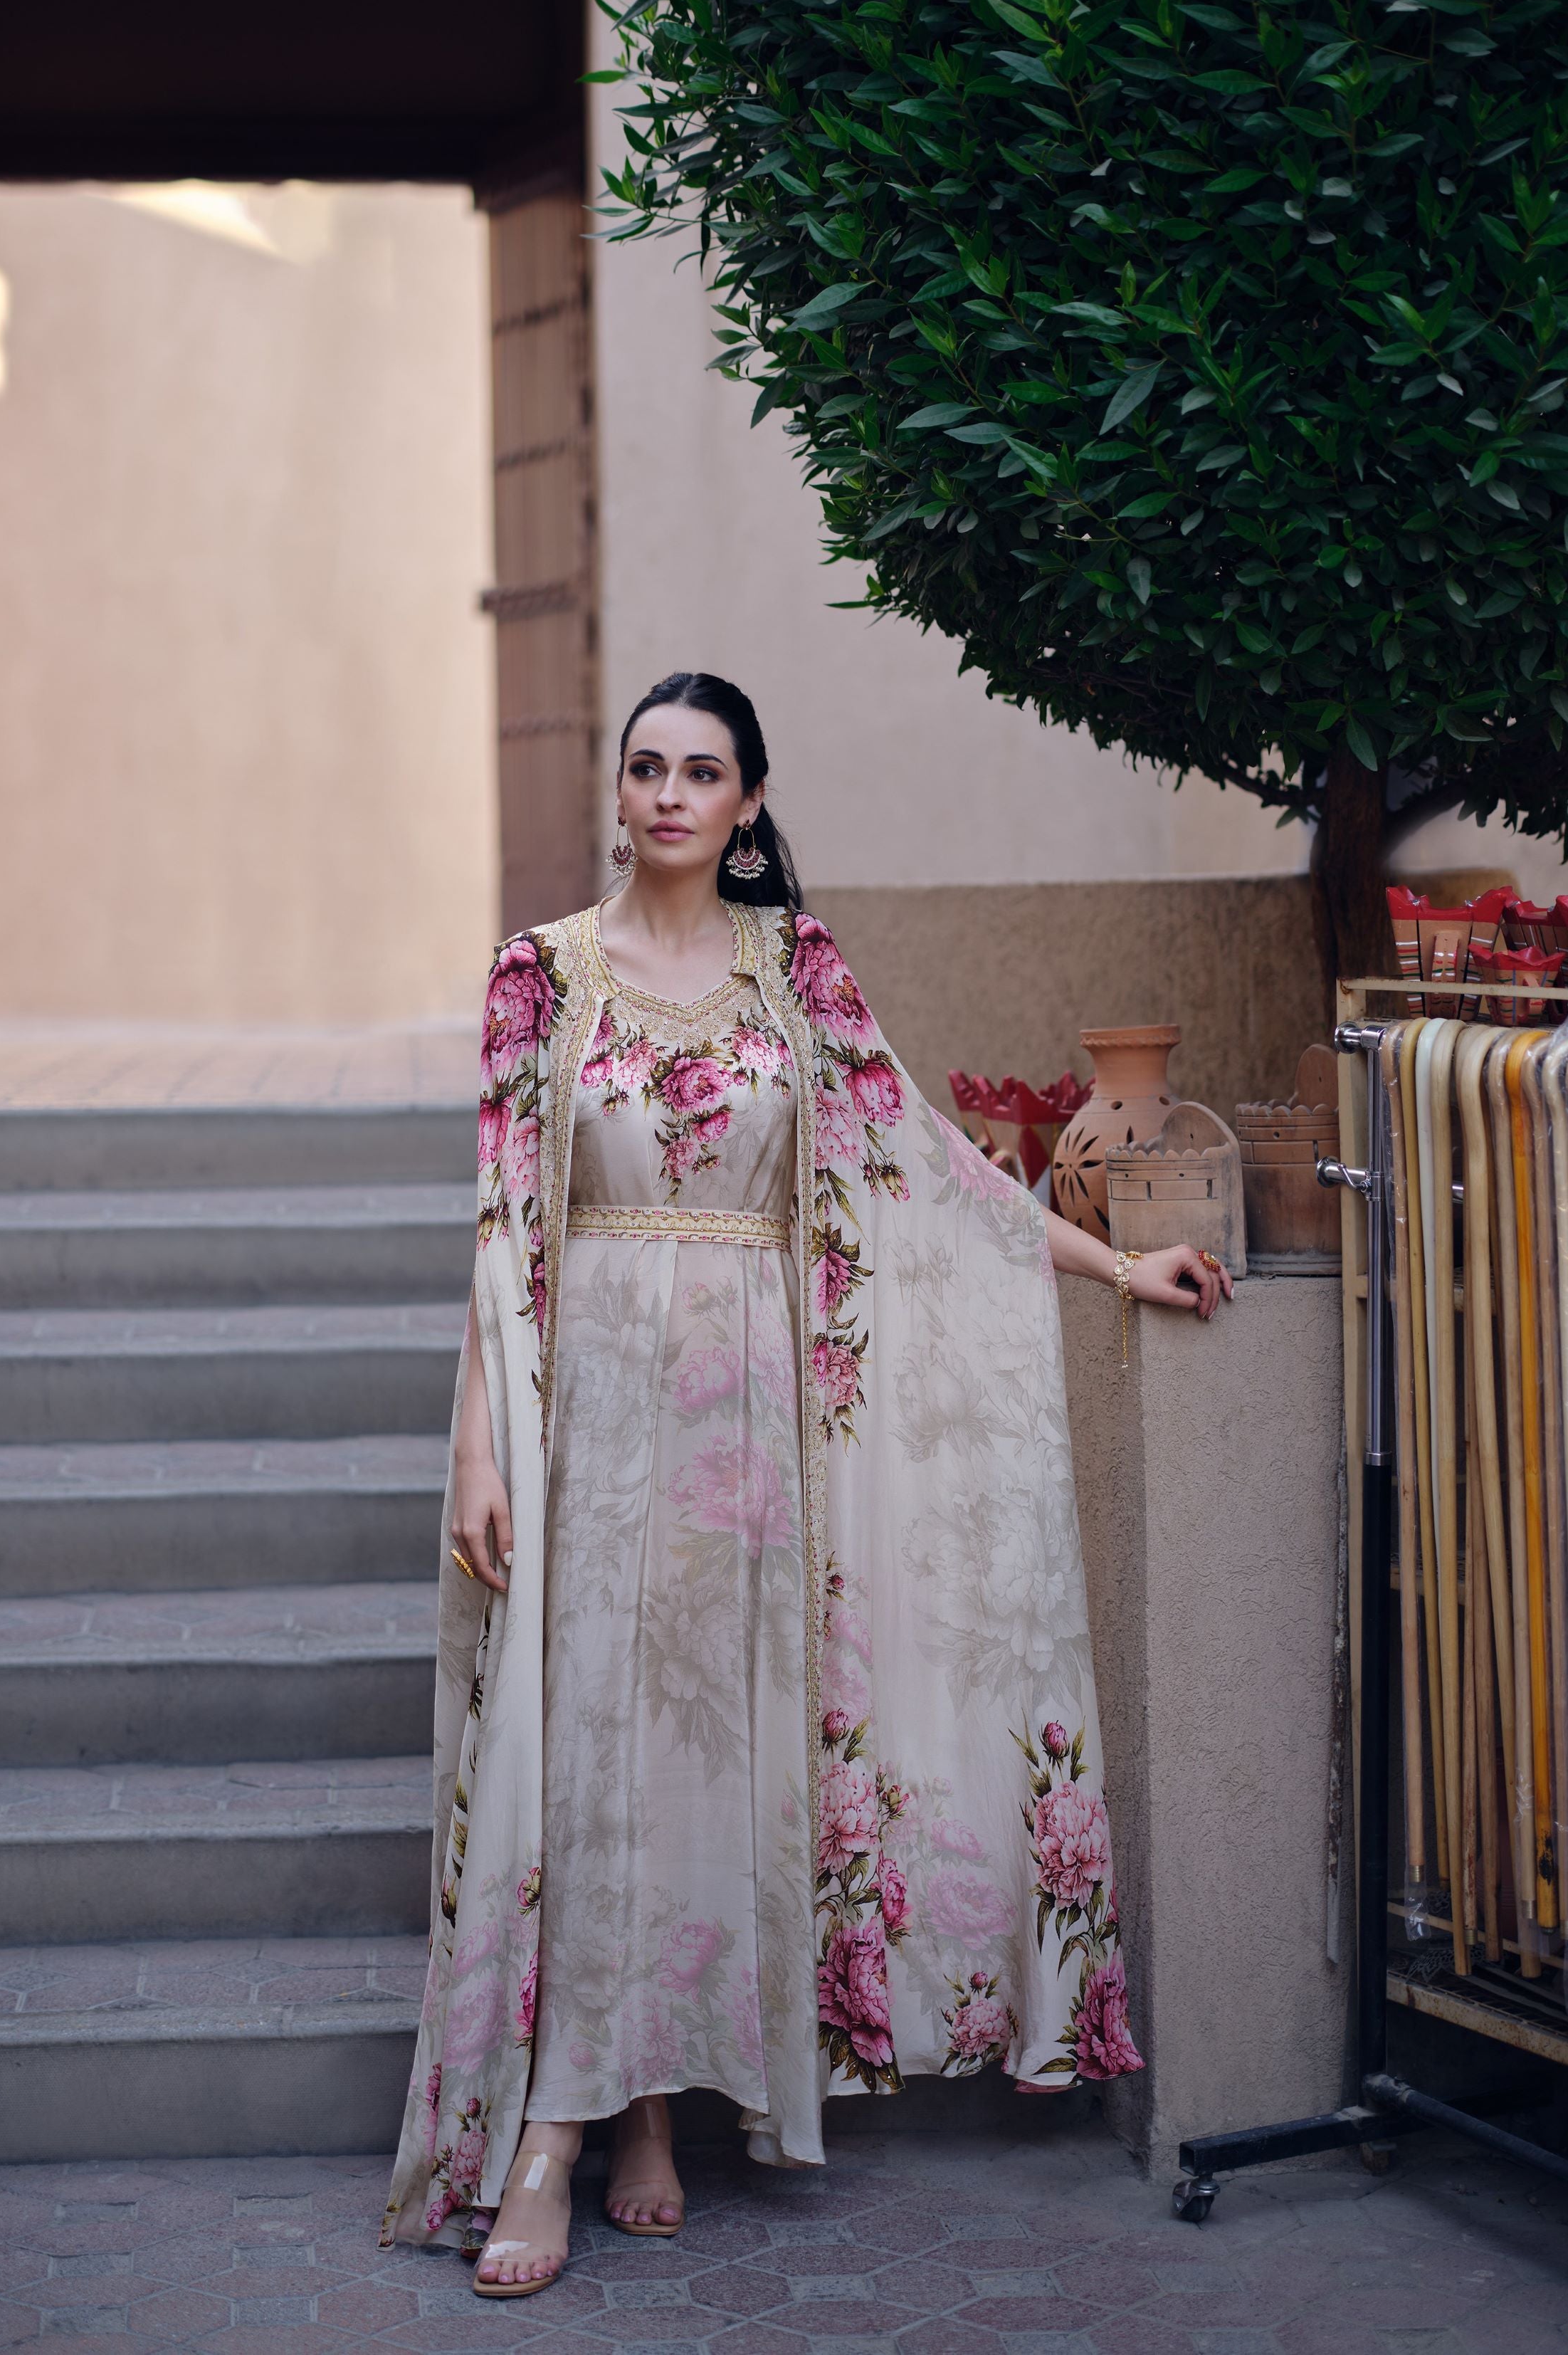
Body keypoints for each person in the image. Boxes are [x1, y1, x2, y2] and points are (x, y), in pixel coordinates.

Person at [380, 671, 1231, 2296]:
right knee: (592, 1755)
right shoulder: (539, 979)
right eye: (647, 767)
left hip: (752, 1435)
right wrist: (484, 1442)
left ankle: (654, 2117)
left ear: (751, 802)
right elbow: (500, 1227)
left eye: (705, 771)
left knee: (719, 1764)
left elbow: (928, 1168)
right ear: (618, 793)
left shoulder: (798, 978)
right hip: (590, 1415)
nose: (673, 794)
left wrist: (1117, 1272)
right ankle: (553, 2134)